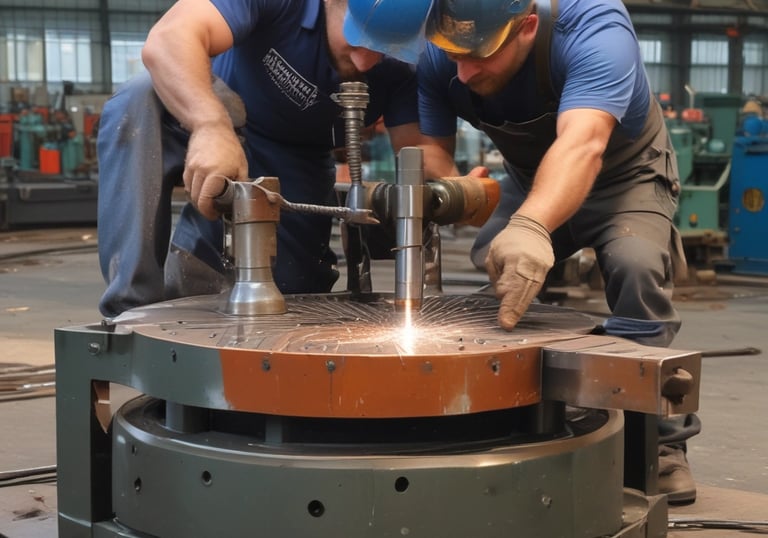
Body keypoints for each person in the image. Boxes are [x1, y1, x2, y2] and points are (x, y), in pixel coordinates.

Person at [415, 0, 700, 503]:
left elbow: (584, 144)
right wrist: (452, 192)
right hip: (532, 180)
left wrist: (530, 223)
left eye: (479, 56)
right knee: (497, 276)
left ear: (526, 27)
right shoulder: (447, 54)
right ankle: (511, 418)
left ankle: (663, 443)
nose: (462, 72)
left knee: (637, 270)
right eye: (454, 55)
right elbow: (434, 152)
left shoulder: (594, 29)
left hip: (624, 176)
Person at [96, 0, 436, 318]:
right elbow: (168, 39)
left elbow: (419, 155)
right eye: (358, 39)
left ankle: (198, 285)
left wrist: (439, 194)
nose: (365, 62)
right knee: (139, 99)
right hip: (219, 111)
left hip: (297, 161)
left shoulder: (400, 67)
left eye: (381, 48)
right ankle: (131, 309)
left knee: (295, 300)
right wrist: (209, 125)